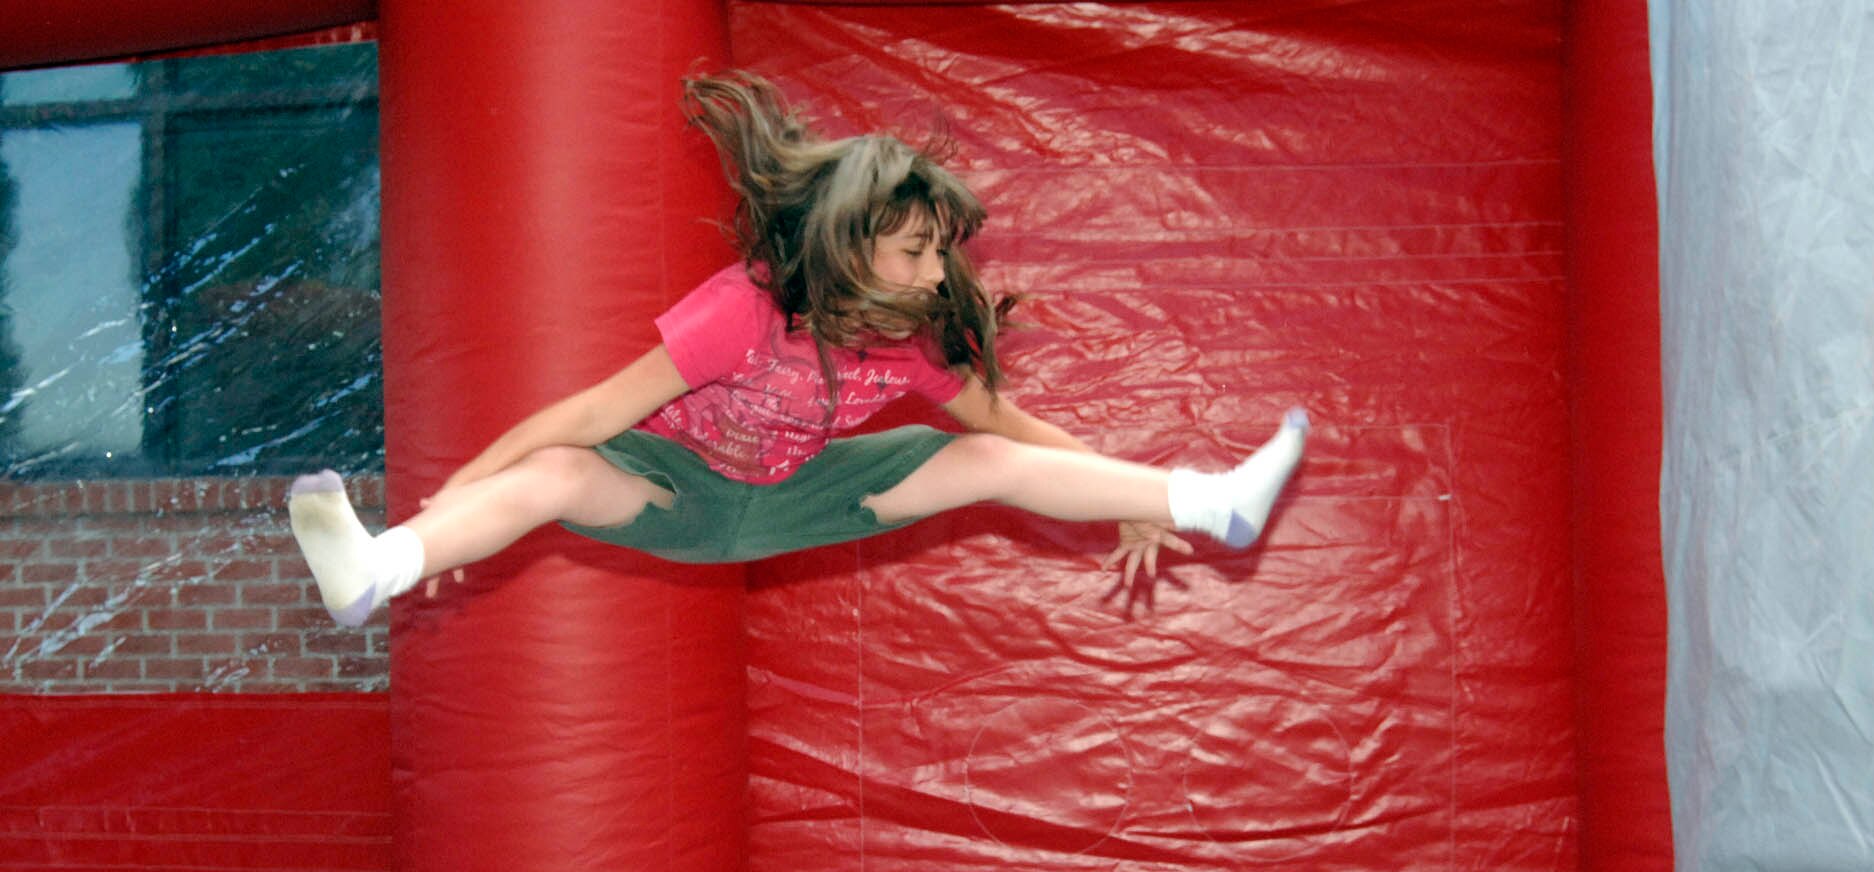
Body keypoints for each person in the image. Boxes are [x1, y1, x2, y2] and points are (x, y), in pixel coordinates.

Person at [287, 70, 1308, 627]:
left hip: (794, 497)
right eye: (914, 251)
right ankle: (377, 566)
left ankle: (1209, 501)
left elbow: (1011, 427)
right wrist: (462, 483)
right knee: (555, 471)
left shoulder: (908, 345)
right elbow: (597, 411)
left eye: (938, 254)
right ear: (851, 240)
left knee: (987, 461)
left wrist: (1135, 497)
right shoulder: (744, 308)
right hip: (674, 487)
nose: (930, 275)